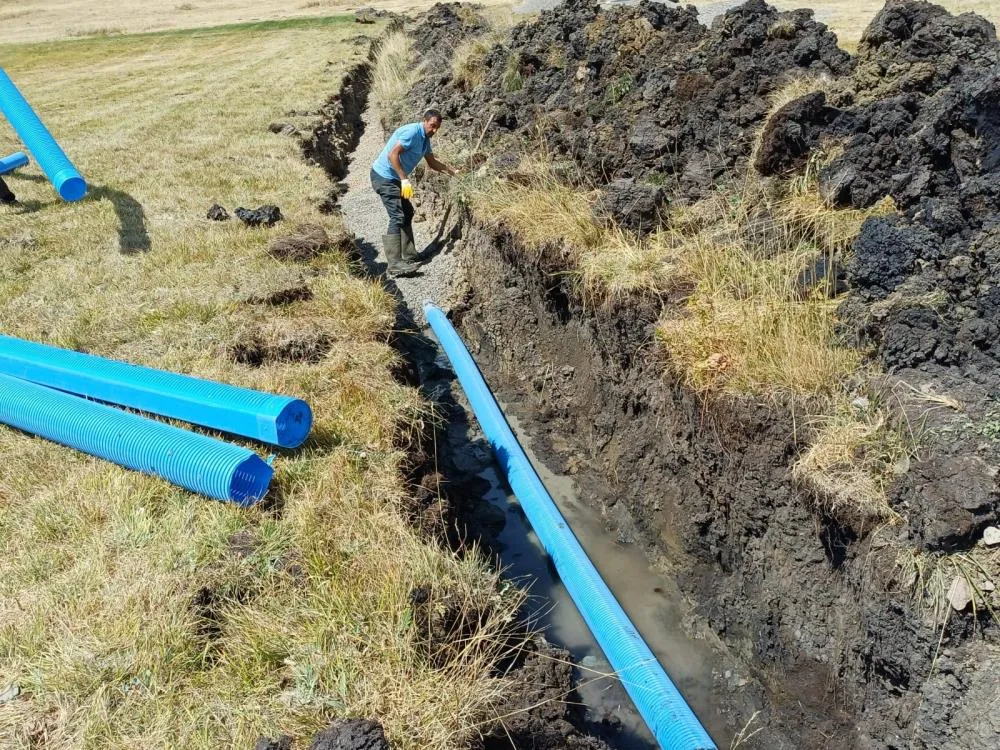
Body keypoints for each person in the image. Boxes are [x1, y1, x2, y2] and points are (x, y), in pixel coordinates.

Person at [371, 108, 458, 276]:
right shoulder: (412, 132)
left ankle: (409, 256)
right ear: (424, 121)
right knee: (397, 216)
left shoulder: (425, 138)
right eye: (432, 126)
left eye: (437, 128)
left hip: (395, 178)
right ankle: (395, 264)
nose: (434, 130)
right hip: (383, 177)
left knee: (408, 212)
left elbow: (432, 163)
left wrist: (453, 172)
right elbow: (392, 155)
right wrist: (404, 179)